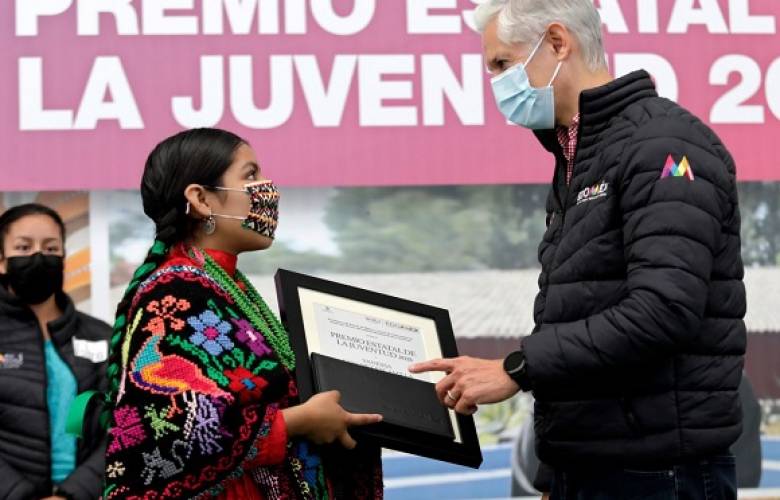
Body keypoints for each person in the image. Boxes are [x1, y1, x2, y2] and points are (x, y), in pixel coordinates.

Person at [410, 1, 746, 498]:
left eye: (502, 64)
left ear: (558, 42)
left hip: (656, 474)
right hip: (591, 465)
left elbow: (663, 311)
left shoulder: (664, 145)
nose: (497, 83)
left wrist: (515, 368)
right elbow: (577, 313)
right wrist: (555, 472)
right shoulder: (580, 154)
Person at [100, 128, 383, 499]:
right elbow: (170, 428)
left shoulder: (224, 284)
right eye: (250, 175)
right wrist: (299, 421)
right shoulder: (174, 293)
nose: (268, 188)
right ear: (201, 199)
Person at [0, 203, 109, 500]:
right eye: (23, 247)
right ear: (1, 260)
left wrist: (75, 493)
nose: (38, 256)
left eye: (50, 247)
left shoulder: (102, 336)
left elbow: (123, 423)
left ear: (63, 256)